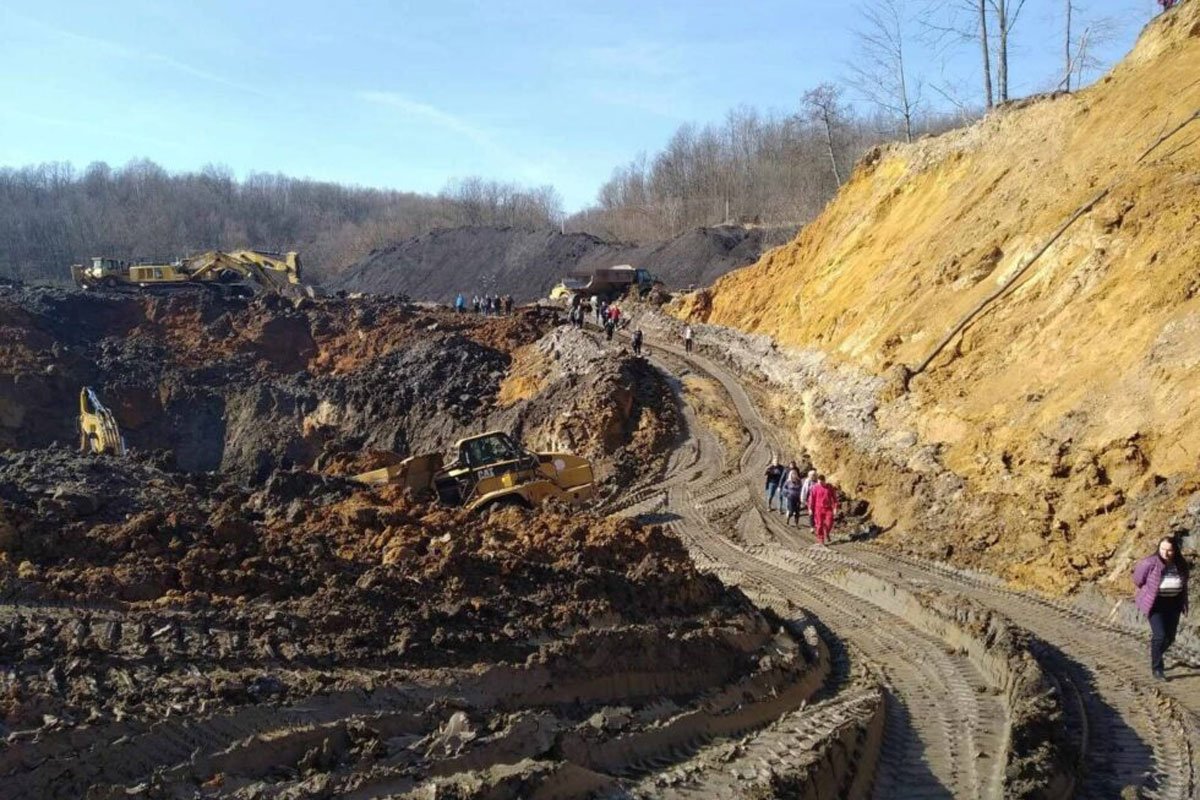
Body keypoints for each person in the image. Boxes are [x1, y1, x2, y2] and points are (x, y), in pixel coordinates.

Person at [1133, 536, 1190, 680]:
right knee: (1160, 635)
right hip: (1156, 604)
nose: (1165, 553)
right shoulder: (1149, 563)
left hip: (1174, 604)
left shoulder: (1181, 564)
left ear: (1175, 551)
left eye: (1169, 550)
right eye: (1162, 549)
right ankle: (1157, 668)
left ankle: (1155, 653)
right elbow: (1138, 579)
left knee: (1170, 638)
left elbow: (1184, 582)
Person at [808, 475, 838, 545]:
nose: (820, 484)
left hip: (828, 508)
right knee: (819, 525)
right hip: (818, 509)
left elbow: (834, 499)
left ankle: (826, 532)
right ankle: (821, 539)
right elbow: (811, 499)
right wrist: (810, 508)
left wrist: (835, 508)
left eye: (821, 483)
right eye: (818, 483)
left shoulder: (830, 487)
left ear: (824, 481)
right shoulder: (815, 488)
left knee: (829, 523)